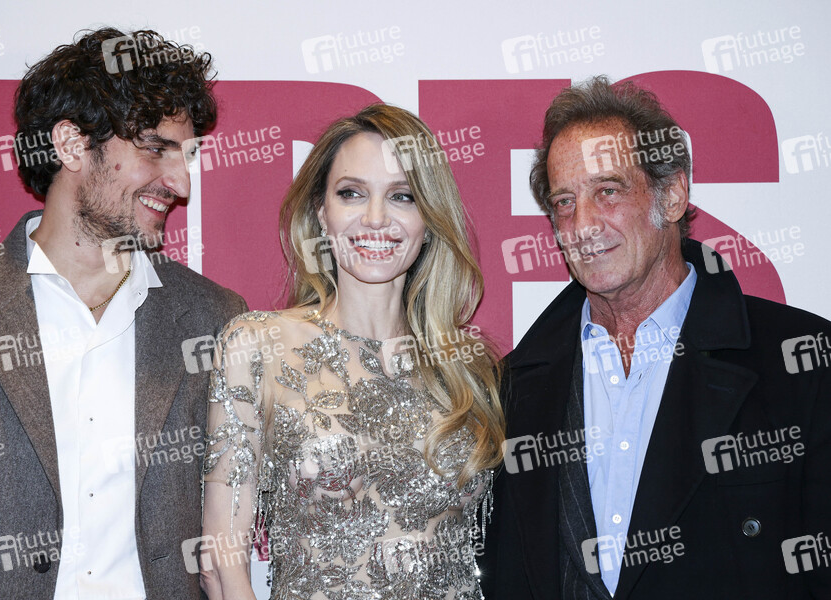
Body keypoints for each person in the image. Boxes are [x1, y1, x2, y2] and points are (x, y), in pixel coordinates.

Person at [480, 76, 831, 599]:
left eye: (608, 191)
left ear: (672, 196)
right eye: (564, 201)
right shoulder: (508, 392)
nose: (582, 224)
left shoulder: (802, 363)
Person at [0, 28, 246, 599]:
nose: (180, 183)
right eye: (155, 148)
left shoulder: (214, 319)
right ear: (72, 145)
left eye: (187, 156)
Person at [198, 104, 506, 599]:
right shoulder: (257, 347)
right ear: (322, 213)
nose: (376, 218)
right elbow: (221, 562)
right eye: (352, 193)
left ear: (429, 218)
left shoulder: (468, 368)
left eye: (402, 196)